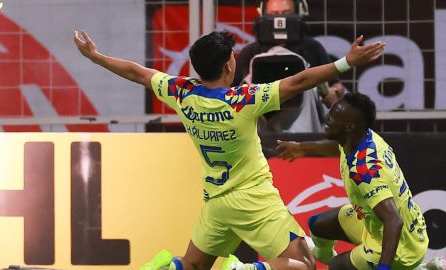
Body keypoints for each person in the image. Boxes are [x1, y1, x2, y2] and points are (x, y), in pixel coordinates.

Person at [74, 29, 384, 270]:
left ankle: (167, 265)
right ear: (228, 64)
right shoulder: (244, 100)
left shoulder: (181, 93)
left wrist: (97, 57)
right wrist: (347, 62)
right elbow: (300, 81)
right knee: (303, 264)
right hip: (254, 200)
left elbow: (136, 72)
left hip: (216, 203)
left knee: (193, 264)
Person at [276, 92, 430, 270]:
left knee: (336, 267)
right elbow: (340, 147)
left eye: (333, 117)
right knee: (317, 225)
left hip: (401, 246)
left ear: (349, 126)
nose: (327, 118)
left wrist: (384, 268)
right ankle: (321, 256)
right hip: (376, 223)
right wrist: (302, 148)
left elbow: (393, 221)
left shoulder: (365, 170)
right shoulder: (360, 138)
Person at [234, 0, 345, 132]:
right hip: (258, 131)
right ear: (263, 14)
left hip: (304, 130)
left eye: (286, 13)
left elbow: (335, 86)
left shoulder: (313, 48)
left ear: (299, 13)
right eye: (274, 14)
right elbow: (232, 93)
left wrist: (332, 94)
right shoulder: (249, 52)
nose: (280, 19)